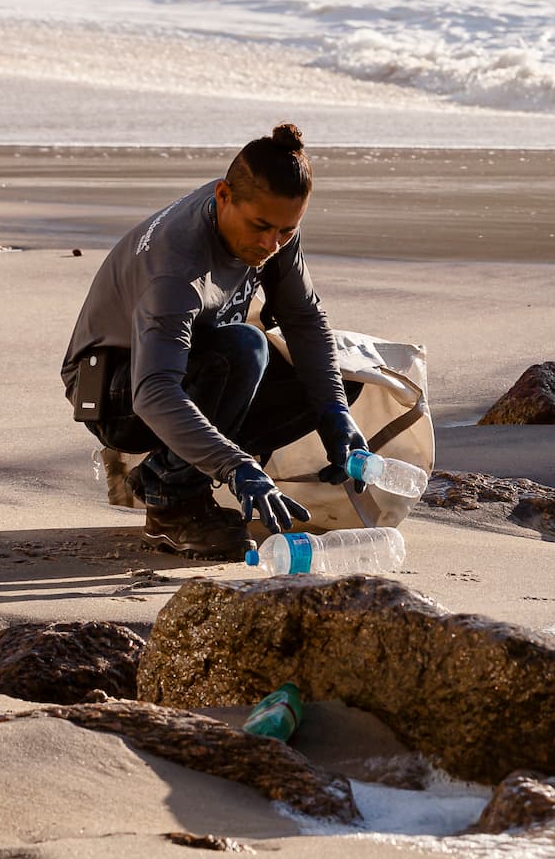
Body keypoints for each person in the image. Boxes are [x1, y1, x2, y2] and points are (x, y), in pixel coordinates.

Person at [60, 123, 366, 560]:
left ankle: (166, 471)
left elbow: (304, 319)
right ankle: (172, 503)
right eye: (261, 227)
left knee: (336, 380)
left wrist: (335, 413)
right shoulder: (175, 268)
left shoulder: (267, 220)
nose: (270, 244)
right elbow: (153, 392)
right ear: (223, 197)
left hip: (192, 361)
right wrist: (238, 467)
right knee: (244, 349)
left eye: (286, 232)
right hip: (114, 390)